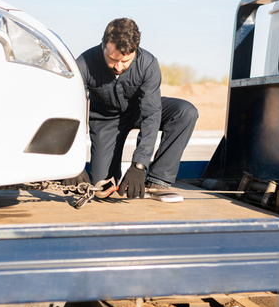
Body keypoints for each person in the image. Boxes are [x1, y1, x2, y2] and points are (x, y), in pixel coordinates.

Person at [67, 18, 198, 198]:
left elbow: (151, 114)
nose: (119, 67)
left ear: (135, 50)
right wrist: (72, 164)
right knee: (102, 185)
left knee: (185, 112)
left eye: (126, 61)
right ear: (104, 44)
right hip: (106, 120)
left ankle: (158, 180)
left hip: (138, 111)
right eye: (112, 59)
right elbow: (71, 113)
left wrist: (139, 165)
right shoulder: (83, 64)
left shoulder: (148, 64)